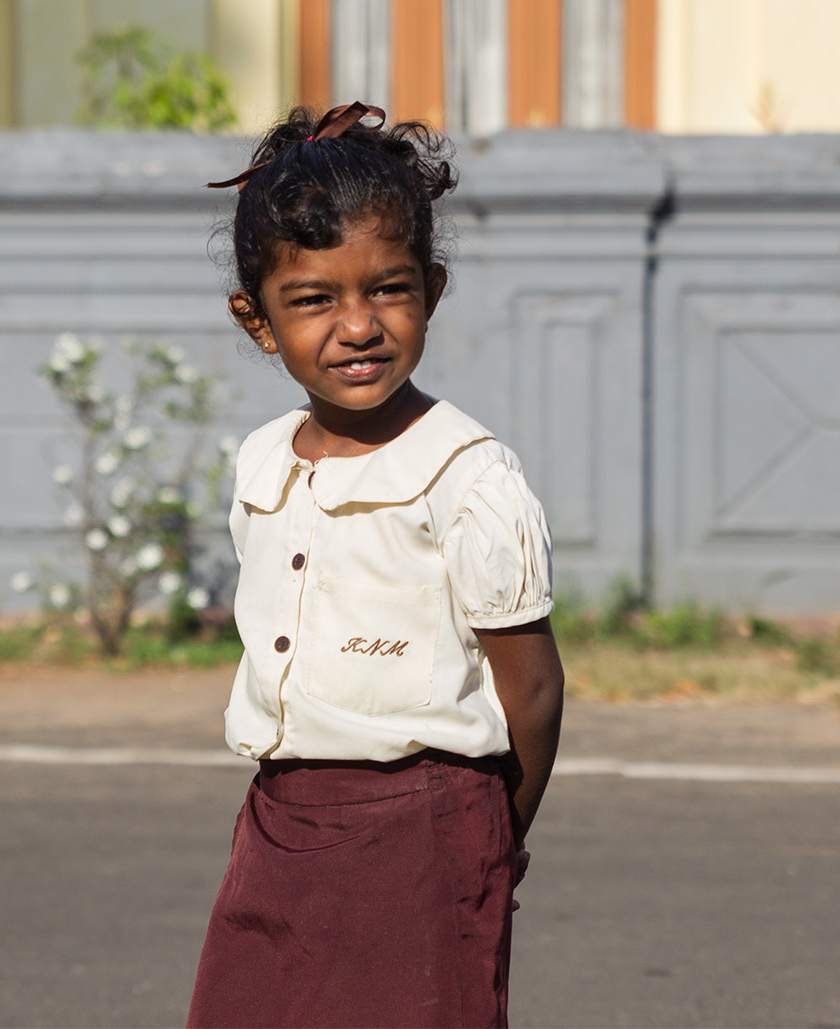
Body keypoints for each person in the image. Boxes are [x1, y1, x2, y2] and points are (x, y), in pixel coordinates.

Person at [187, 102, 566, 1029]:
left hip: (425, 828)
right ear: (258, 319)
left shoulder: (468, 476)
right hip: (280, 821)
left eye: (387, 289)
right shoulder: (263, 463)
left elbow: (533, 687)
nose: (357, 325)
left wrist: (487, 839)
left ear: (431, 291)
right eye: (315, 298)